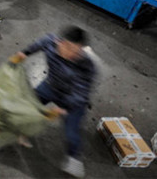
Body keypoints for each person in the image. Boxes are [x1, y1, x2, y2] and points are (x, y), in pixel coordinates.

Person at [9, 26, 97, 178]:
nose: (71, 54)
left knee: (72, 133)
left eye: (77, 51)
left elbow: (82, 93)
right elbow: (35, 46)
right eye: (68, 47)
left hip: (72, 99)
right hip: (50, 86)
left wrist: (65, 108)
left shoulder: (87, 65)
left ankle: (73, 159)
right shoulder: (50, 42)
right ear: (60, 42)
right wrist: (21, 55)